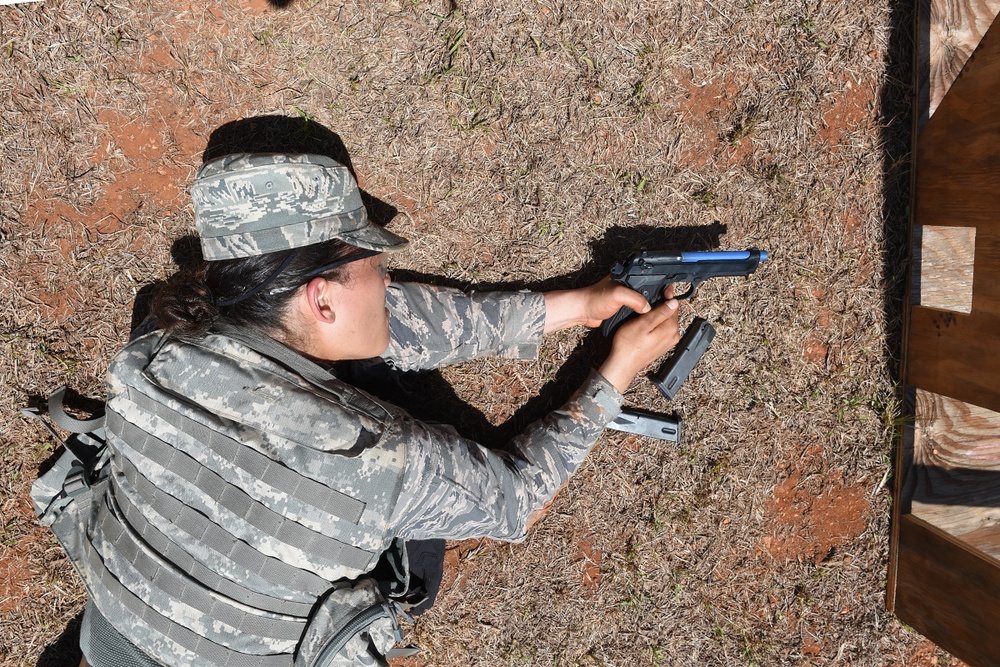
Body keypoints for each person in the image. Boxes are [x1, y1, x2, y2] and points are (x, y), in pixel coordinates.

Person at [73, 152, 681, 666]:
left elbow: (369, 326)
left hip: (110, 638)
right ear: (322, 298)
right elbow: (514, 500)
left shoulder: (154, 345)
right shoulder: (382, 459)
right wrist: (618, 369)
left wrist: (571, 307)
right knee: (417, 567)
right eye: (376, 267)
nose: (387, 284)